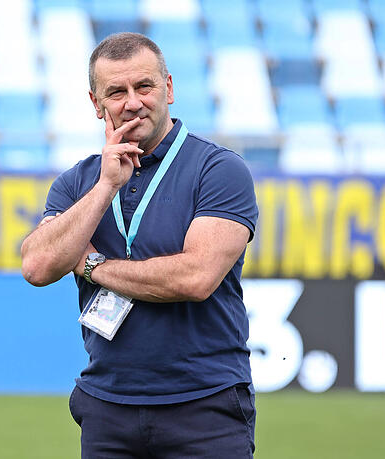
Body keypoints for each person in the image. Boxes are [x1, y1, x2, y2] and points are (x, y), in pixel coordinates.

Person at [20, 32, 258, 458]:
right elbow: (37, 265)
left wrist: (92, 265)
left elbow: (196, 277)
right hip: (107, 405)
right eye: (116, 92)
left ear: (168, 88)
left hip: (204, 404)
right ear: (96, 104)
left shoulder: (219, 169)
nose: (132, 102)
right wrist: (106, 186)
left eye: (144, 86)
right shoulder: (79, 181)